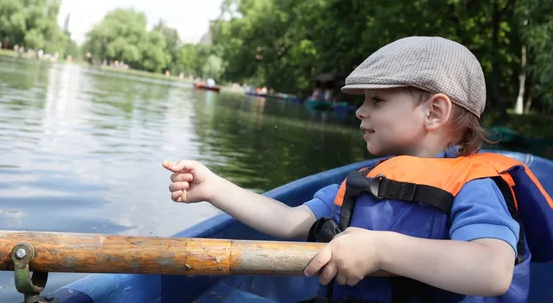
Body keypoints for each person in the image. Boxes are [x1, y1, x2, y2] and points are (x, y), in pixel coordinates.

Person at [162, 36, 553, 302]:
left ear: (435, 111)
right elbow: (289, 220)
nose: (360, 111)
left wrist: (380, 249)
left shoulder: (477, 184)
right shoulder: (368, 181)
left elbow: (491, 268)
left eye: (377, 100)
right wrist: (214, 188)